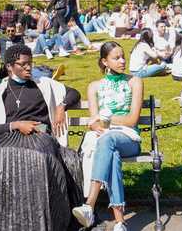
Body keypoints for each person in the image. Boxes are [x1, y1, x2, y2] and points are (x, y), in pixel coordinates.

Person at [0, 43, 83, 231]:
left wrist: (61, 106)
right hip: (8, 138)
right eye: (23, 64)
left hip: (40, 137)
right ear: (9, 67)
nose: (28, 67)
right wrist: (16, 125)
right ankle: (0, 219)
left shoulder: (43, 84)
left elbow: (74, 93)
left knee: (39, 157)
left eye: (30, 63)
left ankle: (41, 219)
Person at [72, 42, 144, 231]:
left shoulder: (134, 81)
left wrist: (106, 120)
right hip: (106, 139)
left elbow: (132, 119)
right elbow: (94, 121)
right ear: (104, 61)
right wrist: (100, 124)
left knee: (107, 140)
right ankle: (120, 222)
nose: (122, 61)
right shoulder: (94, 86)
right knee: (111, 154)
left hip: (129, 138)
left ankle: (89, 204)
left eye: (123, 56)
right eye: (116, 58)